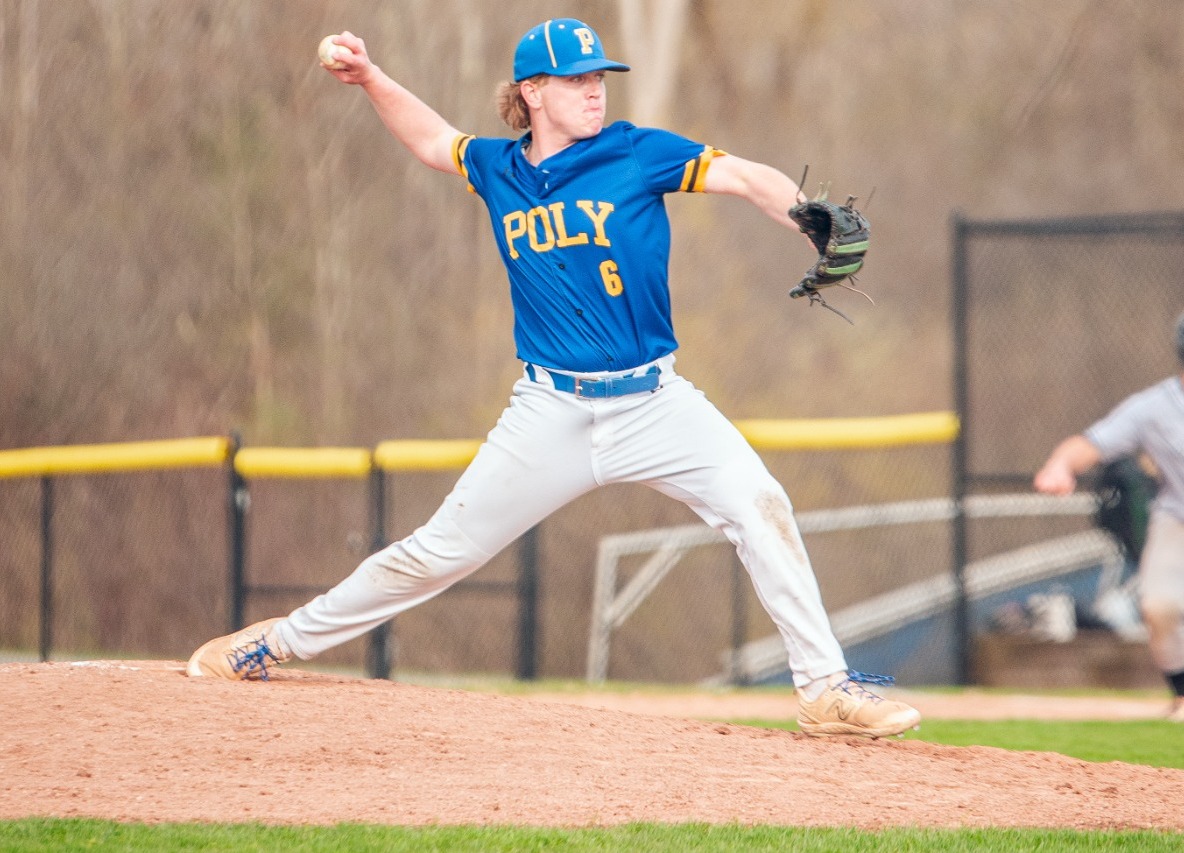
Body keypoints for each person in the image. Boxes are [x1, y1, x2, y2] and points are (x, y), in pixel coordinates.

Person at [187, 18, 921, 739]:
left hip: (655, 402)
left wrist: (801, 216)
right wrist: (372, 78)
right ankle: (276, 642)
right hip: (549, 410)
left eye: (599, 77)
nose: (594, 91)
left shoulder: (636, 154)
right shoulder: (499, 168)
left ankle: (824, 688)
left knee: (762, 504)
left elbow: (738, 174)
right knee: (438, 552)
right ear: (533, 91)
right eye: (576, 80)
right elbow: (429, 140)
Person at [1034, 310, 1184, 721]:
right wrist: (1060, 465)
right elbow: (1091, 443)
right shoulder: (1154, 406)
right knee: (1160, 608)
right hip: (1177, 519)